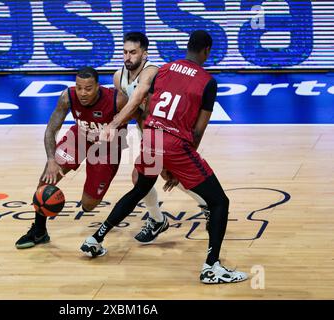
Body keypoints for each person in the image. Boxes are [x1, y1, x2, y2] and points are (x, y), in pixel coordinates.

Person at [80, 30, 248, 284]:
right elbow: (198, 131)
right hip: (175, 144)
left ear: (187, 47)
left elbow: (144, 107)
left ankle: (96, 238)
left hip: (151, 137)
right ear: (207, 51)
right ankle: (212, 267)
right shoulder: (207, 81)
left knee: (140, 189)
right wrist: (175, 165)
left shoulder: (164, 70)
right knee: (219, 202)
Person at [15, 66, 128, 250]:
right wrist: (51, 159)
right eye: (79, 87)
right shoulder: (68, 96)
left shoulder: (118, 100)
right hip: (79, 138)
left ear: (98, 86)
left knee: (88, 205)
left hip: (107, 149)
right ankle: (39, 231)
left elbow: (142, 121)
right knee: (44, 182)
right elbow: (51, 129)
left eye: (88, 88)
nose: (83, 93)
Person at [115, 32, 210, 244]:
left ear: (144, 54)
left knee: (166, 174)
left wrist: (115, 125)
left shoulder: (153, 73)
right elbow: (132, 109)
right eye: (125, 52)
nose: (127, 57)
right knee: (149, 176)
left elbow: (141, 102)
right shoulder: (118, 76)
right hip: (149, 130)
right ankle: (163, 218)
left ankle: (200, 205)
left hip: (169, 130)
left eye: (133, 52)